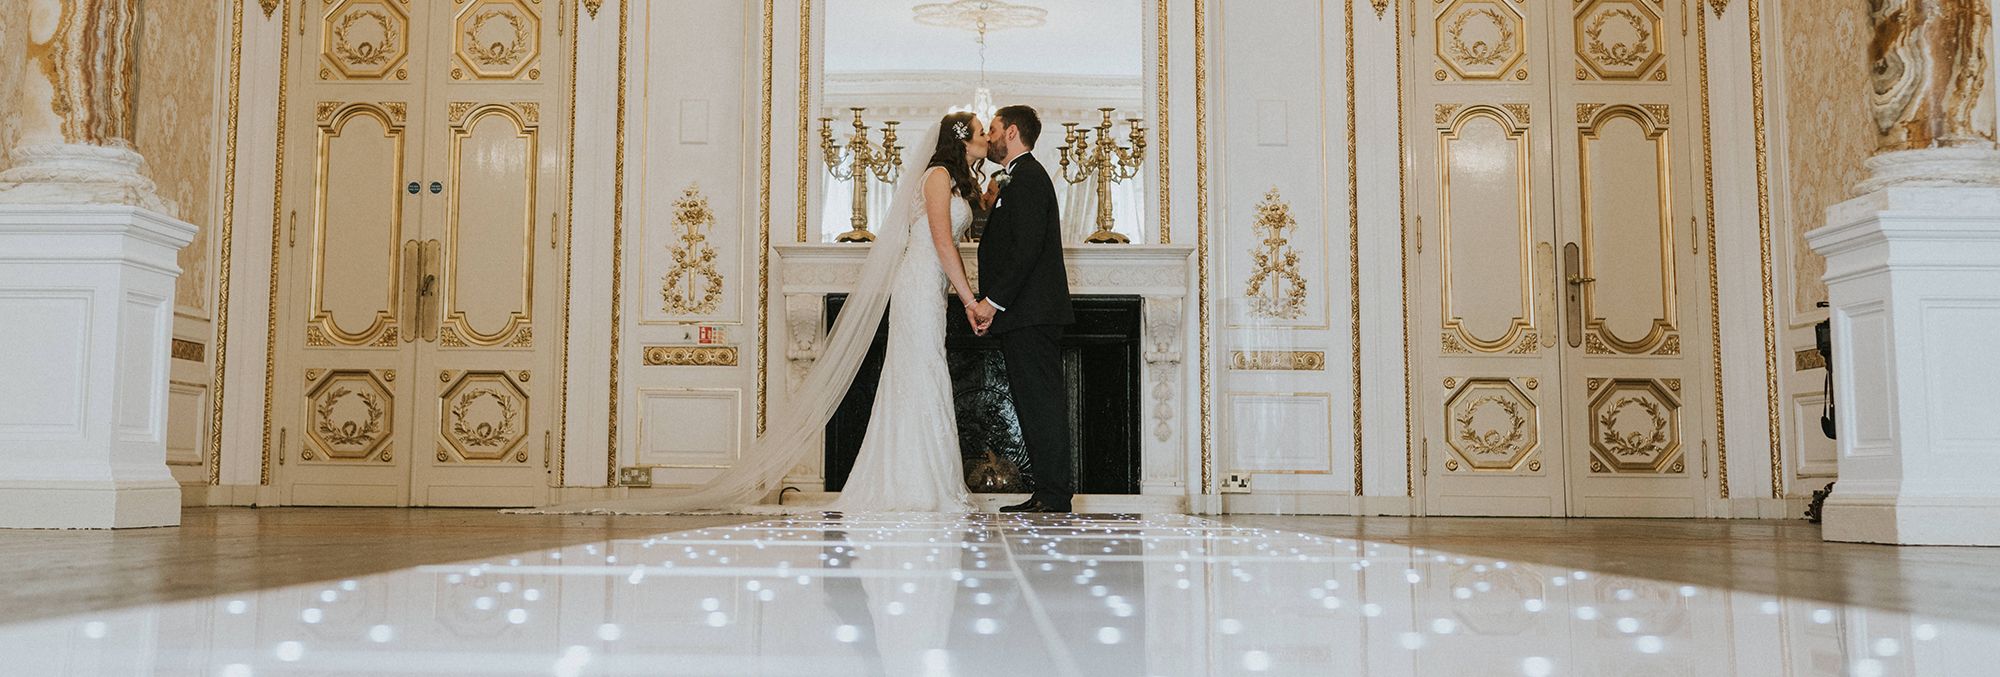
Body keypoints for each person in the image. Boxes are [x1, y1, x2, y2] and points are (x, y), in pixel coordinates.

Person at [972, 105, 1077, 514]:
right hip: (1025, 313)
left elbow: (1026, 250)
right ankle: (1047, 493)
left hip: (1031, 313)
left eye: (994, 128)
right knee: (1034, 404)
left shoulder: (1029, 177)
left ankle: (1054, 495)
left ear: (1012, 132)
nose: (990, 136)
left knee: (1042, 404)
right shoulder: (1015, 177)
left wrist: (991, 303)